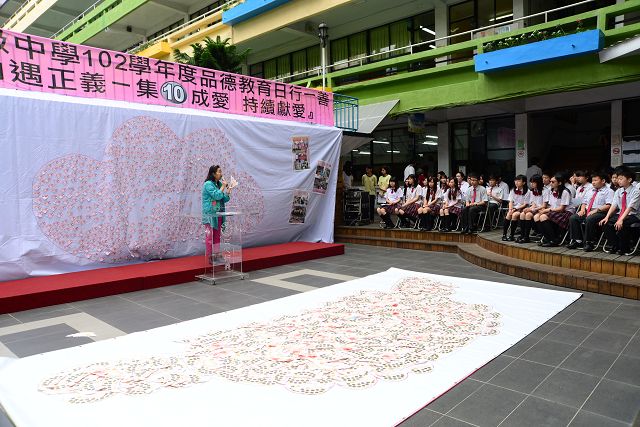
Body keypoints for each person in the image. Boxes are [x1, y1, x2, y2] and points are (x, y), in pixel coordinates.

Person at [567, 171, 613, 252]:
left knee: (590, 219)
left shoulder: (609, 191)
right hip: (588, 210)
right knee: (573, 218)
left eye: (595, 180)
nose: (593, 182)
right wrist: (582, 210)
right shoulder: (590, 190)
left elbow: (609, 205)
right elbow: (584, 202)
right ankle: (578, 241)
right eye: (592, 180)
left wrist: (596, 210)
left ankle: (589, 242)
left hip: (601, 212)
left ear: (603, 181)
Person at [600, 168, 640, 255]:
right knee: (606, 223)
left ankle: (624, 248)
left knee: (623, 224)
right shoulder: (619, 191)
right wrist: (606, 217)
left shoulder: (636, 191)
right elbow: (613, 205)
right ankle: (615, 245)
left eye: (621, 179)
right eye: (618, 179)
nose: (618, 181)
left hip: (634, 215)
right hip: (621, 214)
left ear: (629, 180)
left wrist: (621, 219)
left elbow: (630, 208)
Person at [202, 165, 232, 263]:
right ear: (213, 174)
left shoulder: (218, 184)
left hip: (218, 214)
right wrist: (223, 186)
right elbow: (217, 196)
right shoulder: (208, 184)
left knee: (217, 236)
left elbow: (224, 199)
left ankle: (217, 255)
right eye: (219, 171)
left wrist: (228, 191)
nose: (221, 174)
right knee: (209, 237)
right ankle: (210, 257)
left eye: (221, 171)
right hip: (210, 215)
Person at [537, 173, 573, 247]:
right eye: (550, 181)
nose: (551, 183)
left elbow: (562, 208)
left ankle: (553, 240)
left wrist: (547, 210)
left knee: (543, 216)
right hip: (556, 211)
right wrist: (544, 210)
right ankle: (548, 238)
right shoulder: (552, 191)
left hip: (566, 213)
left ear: (559, 183)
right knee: (538, 216)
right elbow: (552, 205)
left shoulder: (565, 192)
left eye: (553, 182)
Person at [502, 175, 528, 241]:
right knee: (508, 214)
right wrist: (510, 209)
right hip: (514, 208)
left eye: (519, 181)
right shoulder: (512, 190)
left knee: (514, 215)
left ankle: (511, 235)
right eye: (516, 180)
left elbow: (525, 204)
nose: (516, 182)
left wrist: (515, 209)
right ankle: (504, 235)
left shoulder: (528, 191)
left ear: (524, 183)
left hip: (522, 208)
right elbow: (510, 201)